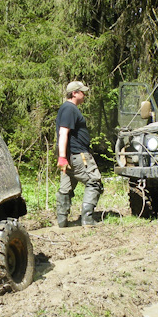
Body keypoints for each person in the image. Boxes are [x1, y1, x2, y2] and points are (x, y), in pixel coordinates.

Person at [56, 80, 103, 227]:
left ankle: (62, 222)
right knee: (94, 182)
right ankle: (87, 220)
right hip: (78, 156)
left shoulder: (66, 108)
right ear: (74, 93)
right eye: (82, 92)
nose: (85, 95)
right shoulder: (70, 109)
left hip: (71, 157)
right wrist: (62, 157)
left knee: (65, 189)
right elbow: (63, 132)